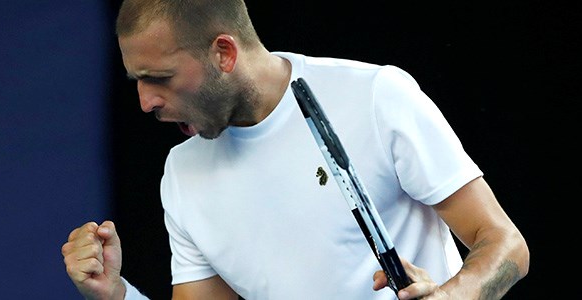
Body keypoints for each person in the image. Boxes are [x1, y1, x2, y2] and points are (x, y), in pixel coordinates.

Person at [61, 0, 530, 299]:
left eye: (159, 78)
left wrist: (454, 297)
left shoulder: (376, 96)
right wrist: (118, 295)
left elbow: (505, 244)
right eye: (137, 81)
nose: (145, 102)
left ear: (224, 53)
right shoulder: (182, 172)